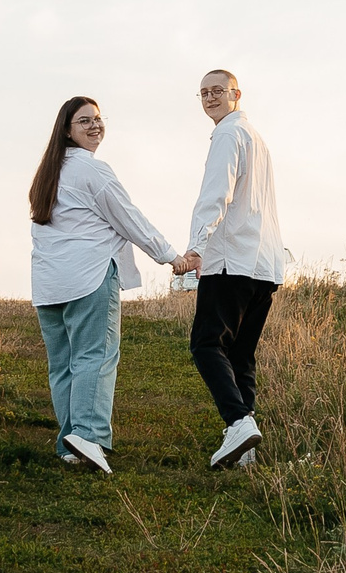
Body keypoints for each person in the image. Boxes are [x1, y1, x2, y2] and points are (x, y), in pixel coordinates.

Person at [29, 96, 194, 474]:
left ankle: (70, 443)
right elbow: (130, 219)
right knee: (95, 358)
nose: (95, 126)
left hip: (49, 284)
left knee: (63, 365)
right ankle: (88, 436)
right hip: (88, 277)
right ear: (67, 131)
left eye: (98, 119)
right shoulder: (92, 170)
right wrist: (171, 256)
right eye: (84, 121)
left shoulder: (48, 174)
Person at [181, 68, 285, 469]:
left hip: (231, 260)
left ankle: (238, 422)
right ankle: (247, 452)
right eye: (203, 92)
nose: (210, 98)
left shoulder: (228, 134)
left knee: (206, 344)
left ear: (236, 94)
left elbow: (216, 195)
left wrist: (195, 248)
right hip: (263, 264)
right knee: (240, 354)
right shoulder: (256, 138)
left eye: (217, 91)